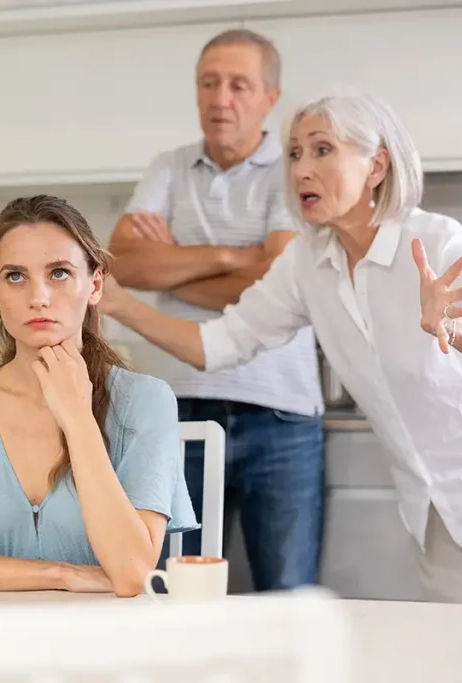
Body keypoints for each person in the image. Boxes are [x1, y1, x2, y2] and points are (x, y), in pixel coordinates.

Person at [100, 91, 462, 610]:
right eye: (295, 153)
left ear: (376, 165)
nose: (302, 168)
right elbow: (215, 345)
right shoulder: (307, 262)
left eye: (322, 150)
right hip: (438, 504)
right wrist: (119, 303)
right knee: (451, 653)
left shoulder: (434, 238)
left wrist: (456, 330)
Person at [0, 195, 197, 597]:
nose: (39, 297)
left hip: (108, 649)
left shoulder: (147, 401)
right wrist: (61, 575)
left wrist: (77, 417)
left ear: (95, 285)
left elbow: (132, 572)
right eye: (16, 276)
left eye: (59, 273)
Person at [107, 28, 325, 590]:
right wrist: (236, 255)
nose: (220, 99)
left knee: (287, 596)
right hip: (178, 409)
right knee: (170, 592)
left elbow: (281, 281)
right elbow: (124, 265)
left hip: (281, 414)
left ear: (270, 98)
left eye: (238, 85)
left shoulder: (294, 170)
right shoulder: (168, 167)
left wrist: (174, 264)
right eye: (208, 83)